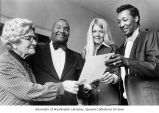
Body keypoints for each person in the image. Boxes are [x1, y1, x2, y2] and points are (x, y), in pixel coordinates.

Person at [0, 18, 79, 105]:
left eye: (33, 38)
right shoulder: (4, 63)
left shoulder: (24, 63)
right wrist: (62, 86)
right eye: (28, 38)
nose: (34, 43)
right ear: (14, 42)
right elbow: (29, 91)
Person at [106, 4, 159, 105]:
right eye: (119, 22)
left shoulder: (150, 36)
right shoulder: (121, 48)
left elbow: (156, 67)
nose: (121, 25)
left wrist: (127, 62)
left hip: (147, 102)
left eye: (125, 20)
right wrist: (113, 77)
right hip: (126, 102)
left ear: (136, 18)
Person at [30, 19, 84, 105]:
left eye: (66, 29)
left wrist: (87, 88)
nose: (62, 31)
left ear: (69, 33)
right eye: (58, 27)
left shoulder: (77, 57)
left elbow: (81, 86)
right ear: (52, 30)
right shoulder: (36, 50)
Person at [81, 18, 120, 105]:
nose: (97, 34)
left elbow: (117, 72)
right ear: (91, 33)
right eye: (94, 31)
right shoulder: (85, 52)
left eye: (101, 31)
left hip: (109, 98)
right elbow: (82, 80)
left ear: (105, 33)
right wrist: (85, 87)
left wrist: (113, 77)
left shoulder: (112, 48)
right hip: (91, 100)